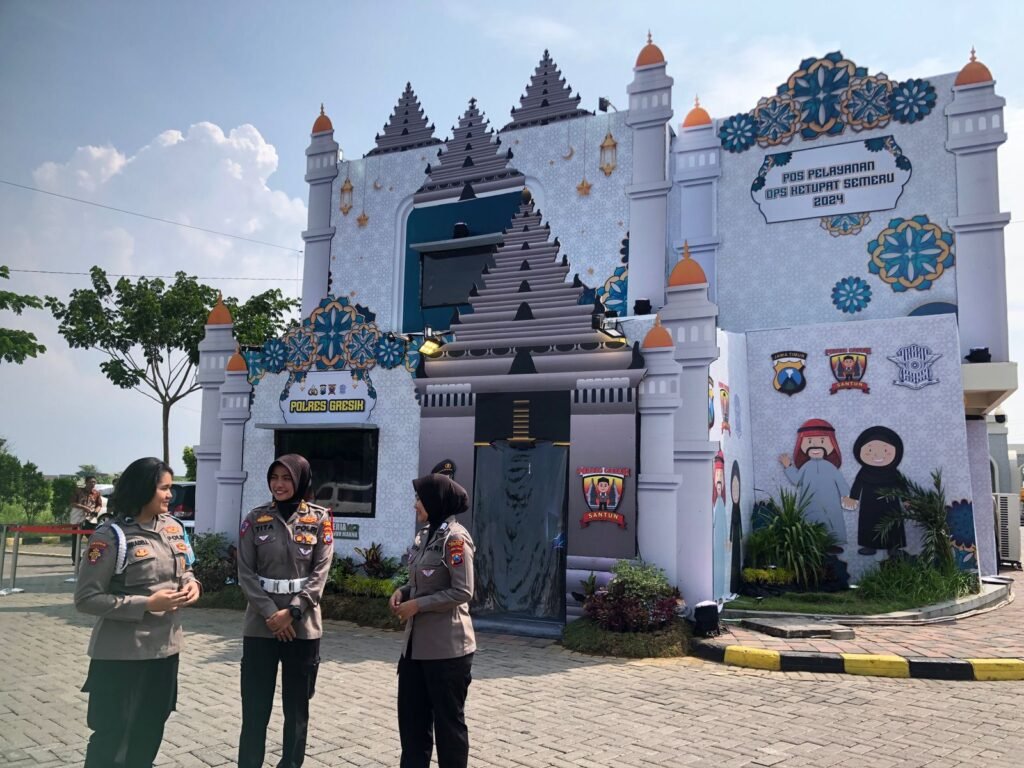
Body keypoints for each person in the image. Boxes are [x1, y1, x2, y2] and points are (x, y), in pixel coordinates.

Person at [74, 457, 202, 768]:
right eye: (164, 488)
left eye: (171, 488)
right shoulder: (111, 536)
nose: (170, 495)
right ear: (144, 488)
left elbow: (185, 568)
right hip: (122, 655)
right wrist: (146, 604)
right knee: (113, 735)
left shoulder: (173, 528)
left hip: (165, 650)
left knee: (150, 727)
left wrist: (192, 584)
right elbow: (86, 599)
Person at [236, 454, 334, 768]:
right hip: (260, 624)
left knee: (296, 710)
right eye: (274, 477)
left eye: (287, 478)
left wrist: (291, 611)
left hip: (301, 626)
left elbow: (320, 572)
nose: (278, 484)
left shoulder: (319, 518)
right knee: (255, 709)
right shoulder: (255, 518)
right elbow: (245, 572)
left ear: (301, 480)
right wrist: (271, 614)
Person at [389, 473, 475, 768]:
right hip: (414, 650)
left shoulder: (455, 539)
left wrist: (418, 605)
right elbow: (422, 581)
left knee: (449, 729)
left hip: (447, 651)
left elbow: (463, 590)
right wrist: (403, 592)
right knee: (412, 728)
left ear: (436, 501)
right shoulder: (425, 536)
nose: (415, 504)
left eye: (420, 498)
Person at [779, 418, 849, 549]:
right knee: (810, 520)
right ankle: (811, 544)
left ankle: (833, 544)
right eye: (810, 442)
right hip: (810, 502)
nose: (815, 447)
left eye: (822, 441)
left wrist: (846, 496)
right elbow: (796, 480)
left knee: (832, 520)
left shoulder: (830, 467)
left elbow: (841, 482)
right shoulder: (806, 466)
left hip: (830, 502)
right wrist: (788, 466)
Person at [846, 426, 908, 556]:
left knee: (892, 523)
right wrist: (853, 498)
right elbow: (858, 484)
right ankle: (869, 546)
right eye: (870, 450)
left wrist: (906, 500)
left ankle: (894, 546)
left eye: (885, 450)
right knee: (868, 523)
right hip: (869, 502)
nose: (877, 455)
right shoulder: (864, 472)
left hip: (890, 503)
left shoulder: (893, 472)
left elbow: (902, 485)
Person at [69, 475, 103, 563]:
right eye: (91, 482)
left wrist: (96, 511)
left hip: (90, 519)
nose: (93, 484)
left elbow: (99, 505)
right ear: (86, 482)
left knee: (95, 539)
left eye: (94, 482)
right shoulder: (78, 491)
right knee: (76, 540)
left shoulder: (96, 493)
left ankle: (92, 558)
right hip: (78, 518)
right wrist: (84, 507)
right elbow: (72, 503)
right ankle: (76, 560)